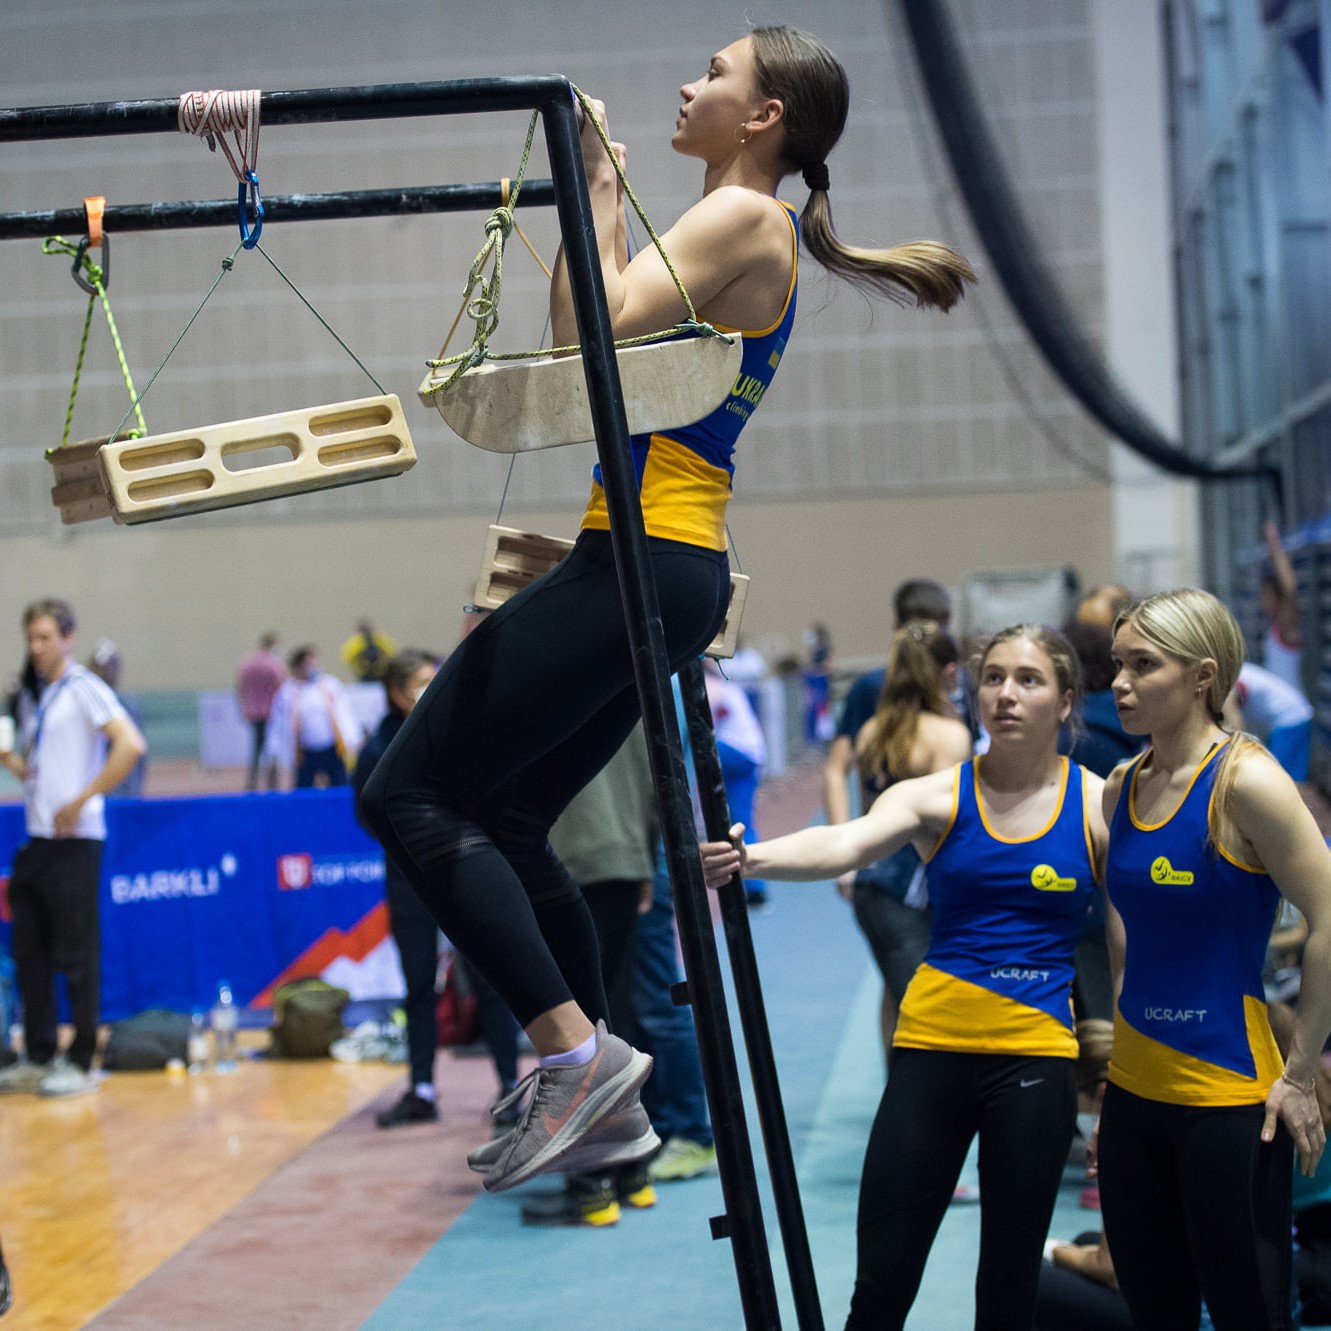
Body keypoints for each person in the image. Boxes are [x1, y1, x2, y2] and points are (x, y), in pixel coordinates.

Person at [359, 24, 974, 1195]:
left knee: (403, 793)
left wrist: (593, 180)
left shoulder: (743, 217)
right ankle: (595, 1081)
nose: (688, 85)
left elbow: (578, 332)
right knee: (511, 818)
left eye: (714, 74)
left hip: (645, 557)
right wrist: (594, 189)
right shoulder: (733, 223)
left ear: (764, 117)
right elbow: (589, 336)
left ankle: (574, 1058)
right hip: (656, 562)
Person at [702, 624, 1105, 1330]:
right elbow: (845, 842)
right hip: (931, 1051)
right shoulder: (937, 795)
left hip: (1036, 1063)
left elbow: (1136, 939)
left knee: (1008, 1290)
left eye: (1028, 679)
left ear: (1066, 700)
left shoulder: (1099, 805)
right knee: (883, 1281)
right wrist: (752, 858)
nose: (1006, 694)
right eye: (993, 677)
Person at [1098, 588, 1331, 1331]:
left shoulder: (1248, 783)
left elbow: (1329, 916)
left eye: (1142, 665)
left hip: (1229, 1099)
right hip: (1132, 1096)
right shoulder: (1119, 787)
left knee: (1248, 1317)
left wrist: (1301, 1073)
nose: (1120, 683)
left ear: (1203, 676)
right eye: (1116, 664)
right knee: (1154, 1314)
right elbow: (1130, 936)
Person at [0, 598, 147, 1098]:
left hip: (77, 840)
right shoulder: (39, 697)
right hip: (38, 839)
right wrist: (14, 764)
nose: (36, 647)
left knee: (78, 954)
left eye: (45, 637)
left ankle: (82, 1059)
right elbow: (44, 769)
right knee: (31, 952)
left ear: (68, 637)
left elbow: (130, 744)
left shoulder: (84, 687)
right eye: (31, 639)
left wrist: (84, 799)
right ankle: (39, 1054)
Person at [523, 723, 661, 1227]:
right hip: (623, 857)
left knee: (574, 1029)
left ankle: (591, 1187)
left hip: (565, 865)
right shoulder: (625, 687)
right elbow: (652, 779)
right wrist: (644, 860)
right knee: (616, 1015)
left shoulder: (535, 690)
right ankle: (632, 1174)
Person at [842, 621, 972, 1059]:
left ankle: (899, 1084)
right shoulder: (950, 735)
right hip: (914, 888)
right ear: (949, 672)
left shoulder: (871, 731)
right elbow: (948, 827)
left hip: (874, 886)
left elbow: (868, 815)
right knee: (929, 1013)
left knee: (900, 999)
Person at [265, 646, 362, 789]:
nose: (312, 667)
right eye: (307, 664)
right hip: (304, 751)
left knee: (339, 785)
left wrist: (353, 737)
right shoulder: (288, 691)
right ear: (298, 667)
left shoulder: (330, 684)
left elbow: (344, 712)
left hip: (332, 748)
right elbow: (278, 722)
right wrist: (274, 747)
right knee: (304, 788)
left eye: (313, 662)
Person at [1224, 659, 1314, 783]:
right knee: (1285, 775)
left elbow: (1236, 726)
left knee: (1283, 778)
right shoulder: (1236, 672)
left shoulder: (1232, 680)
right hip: (1290, 714)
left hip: (1289, 717)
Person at [85, 639, 147, 798]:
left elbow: (136, 753)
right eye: (97, 669)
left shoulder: (126, 706)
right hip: (97, 791)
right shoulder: (88, 704)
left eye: (107, 669)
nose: (102, 674)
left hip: (123, 793)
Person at [235, 631, 284, 791]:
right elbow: (281, 687)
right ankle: (272, 784)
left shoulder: (248, 664)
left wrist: (246, 707)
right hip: (271, 714)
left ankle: (252, 782)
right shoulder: (274, 665)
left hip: (254, 712)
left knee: (256, 749)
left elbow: (240, 687)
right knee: (272, 749)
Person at [1259, 521, 1304, 692]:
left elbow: (1290, 589)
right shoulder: (1275, 628)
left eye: (1266, 595)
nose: (1262, 600)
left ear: (1277, 596)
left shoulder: (1287, 627)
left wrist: (1275, 548)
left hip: (1292, 707)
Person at [340, 619, 398, 685]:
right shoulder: (380, 639)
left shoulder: (355, 642)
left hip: (367, 673)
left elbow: (347, 658)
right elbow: (392, 654)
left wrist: (357, 669)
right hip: (377, 672)